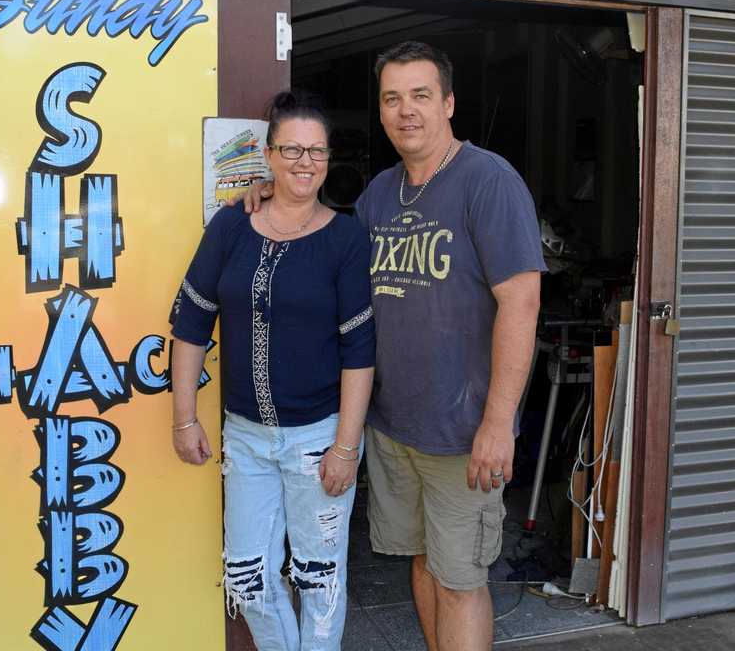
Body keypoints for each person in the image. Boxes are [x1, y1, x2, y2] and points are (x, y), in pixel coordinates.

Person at [240, 42, 544, 651]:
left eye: (421, 95)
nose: (407, 111)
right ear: (381, 113)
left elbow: (521, 304)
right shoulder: (380, 194)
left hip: (463, 434)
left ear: (449, 103)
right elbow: (322, 245)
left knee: (460, 579)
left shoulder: (487, 180)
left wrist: (498, 422)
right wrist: (265, 198)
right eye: (392, 98)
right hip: (393, 428)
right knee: (422, 563)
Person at [170, 91, 375, 651]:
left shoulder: (345, 239)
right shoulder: (231, 227)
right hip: (247, 438)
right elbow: (191, 323)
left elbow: (360, 351)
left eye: (316, 151)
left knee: (319, 578)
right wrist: (184, 419)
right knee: (248, 578)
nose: (304, 162)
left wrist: (345, 446)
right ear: (267, 152)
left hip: (318, 438)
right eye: (291, 149)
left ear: (329, 158)